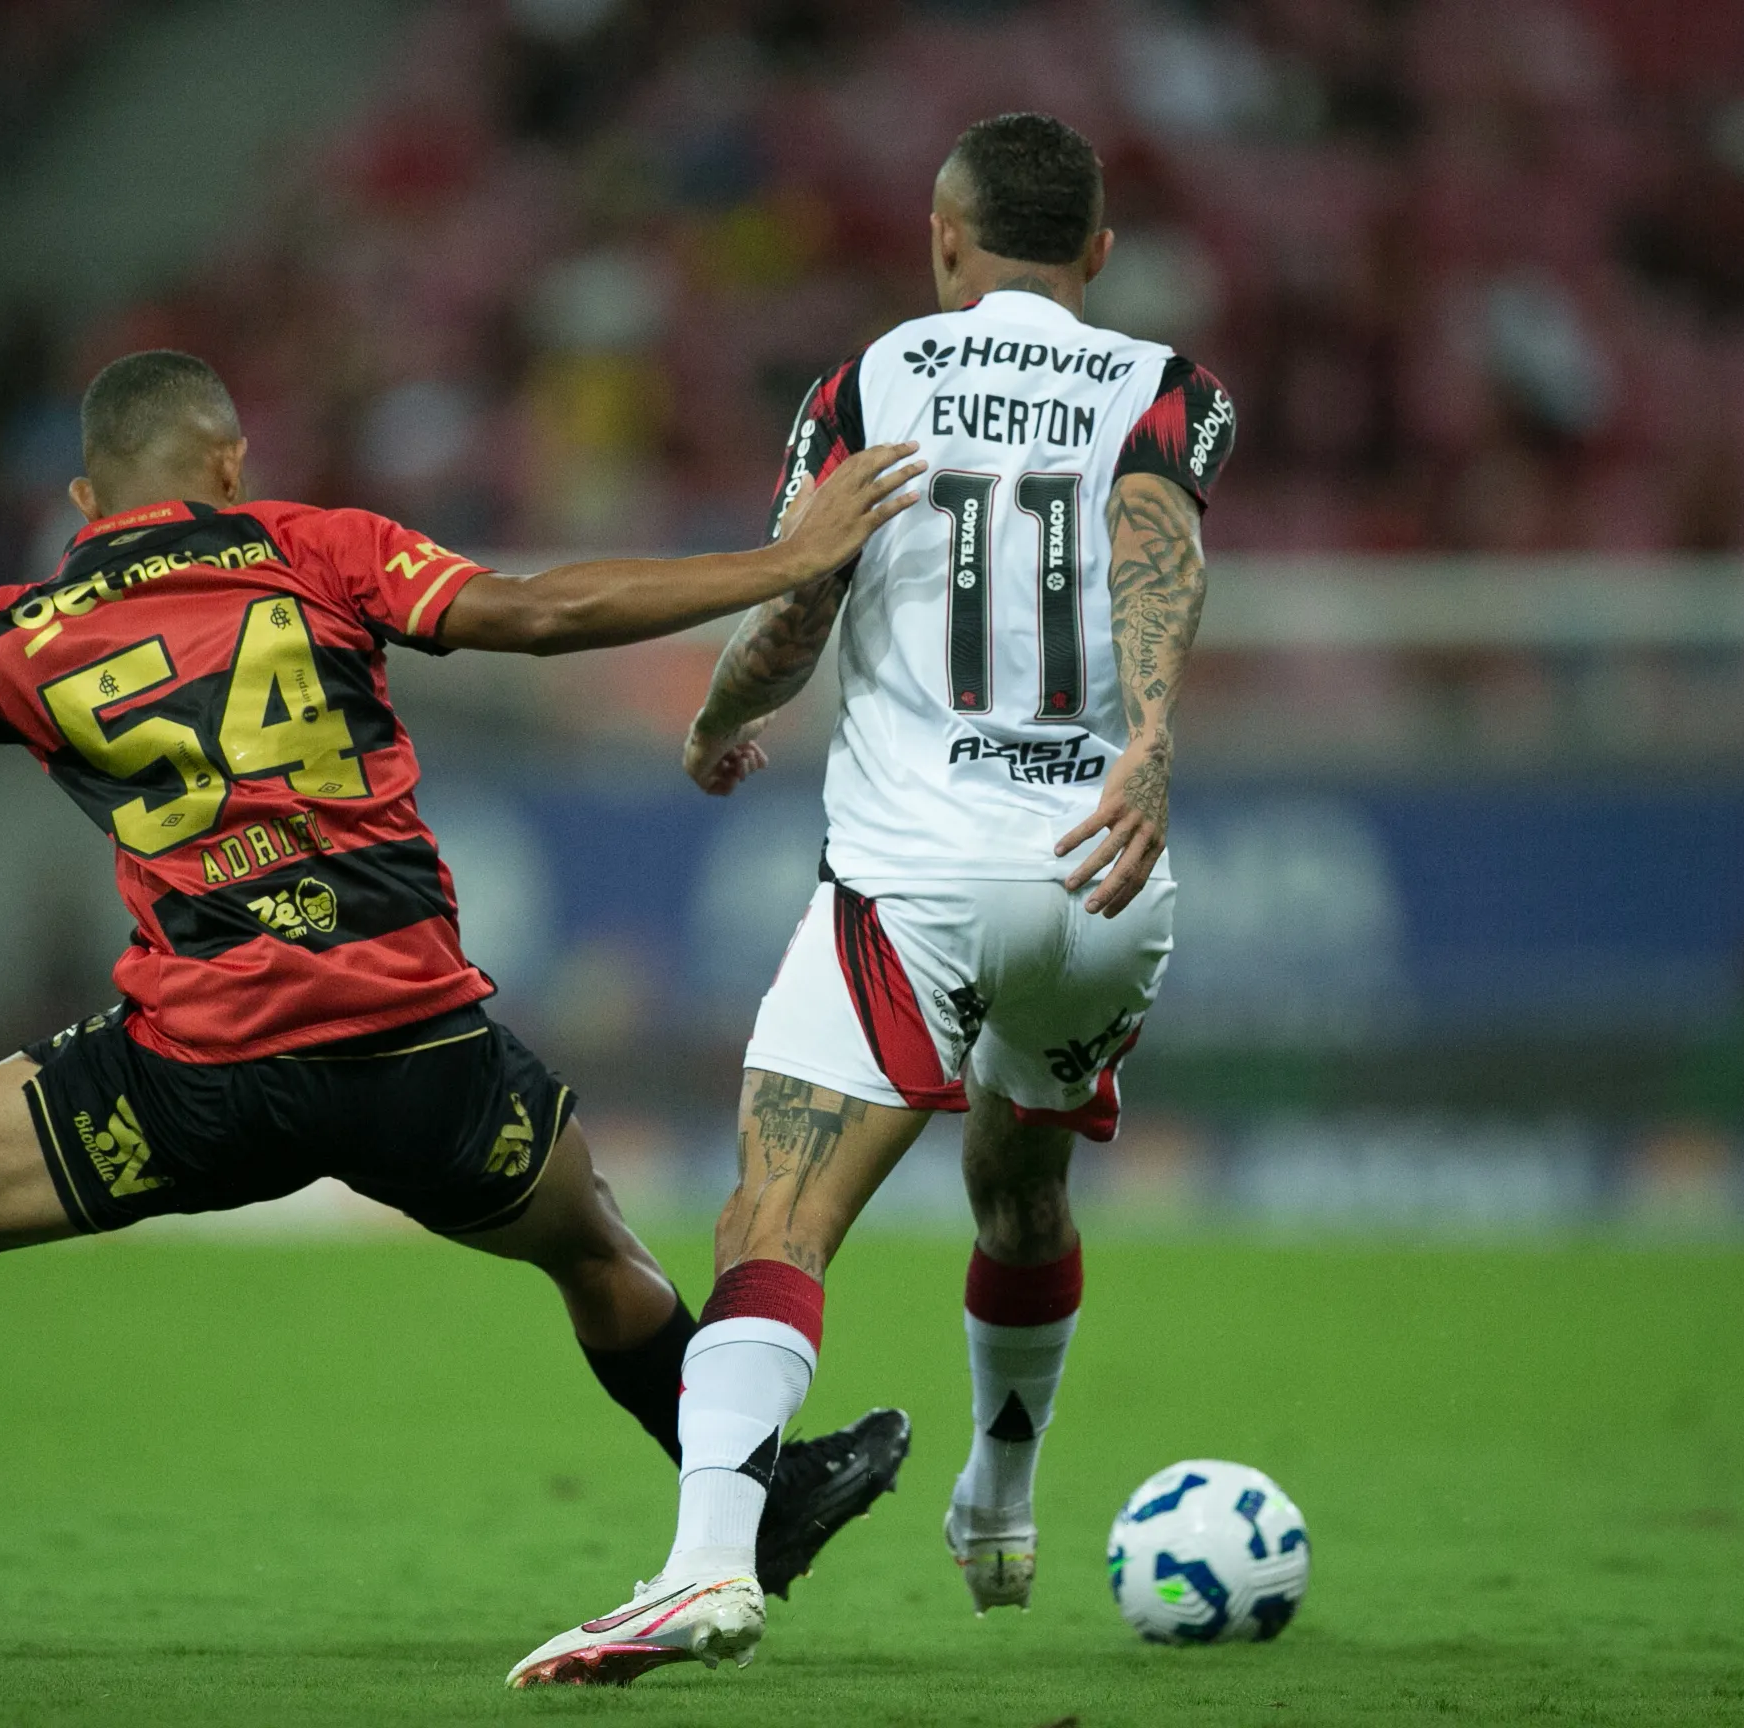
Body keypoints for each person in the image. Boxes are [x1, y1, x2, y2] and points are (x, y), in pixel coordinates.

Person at [0, 351, 926, 1671]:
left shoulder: (13, 635)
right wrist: (782, 559)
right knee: (599, 1251)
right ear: (229, 462)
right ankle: (765, 1496)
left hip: (198, 1073)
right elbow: (536, 613)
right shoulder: (315, 549)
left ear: (85, 496)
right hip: (423, 1054)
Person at [510, 112, 1237, 1687]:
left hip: (914, 877)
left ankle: (706, 1565)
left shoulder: (878, 381)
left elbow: (796, 604)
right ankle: (1003, 1496)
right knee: (1022, 1188)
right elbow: (1152, 534)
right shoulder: (1166, 385)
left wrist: (715, 722)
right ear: (1098, 255)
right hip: (1103, 873)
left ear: (944, 237)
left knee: (776, 1212)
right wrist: (1161, 738)